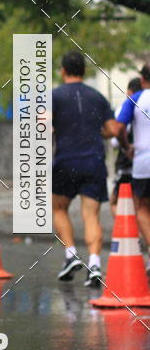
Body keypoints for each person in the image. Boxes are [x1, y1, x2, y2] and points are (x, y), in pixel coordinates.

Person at [52, 51, 126, 287]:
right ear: (84, 71)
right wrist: (96, 132)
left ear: (63, 71)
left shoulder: (54, 96)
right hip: (94, 161)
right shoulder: (98, 97)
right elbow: (113, 130)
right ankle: (94, 264)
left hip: (65, 161)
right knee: (91, 215)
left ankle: (71, 255)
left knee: (58, 208)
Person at [117, 64, 150, 272]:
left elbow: (119, 127)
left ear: (142, 79)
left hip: (143, 162)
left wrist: (126, 146)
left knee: (143, 208)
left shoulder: (135, 99)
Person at [110, 76, 141, 217]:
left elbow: (116, 138)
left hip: (127, 162)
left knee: (115, 200)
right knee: (141, 201)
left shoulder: (126, 106)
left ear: (129, 91)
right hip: (143, 161)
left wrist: (127, 146)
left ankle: (127, 227)